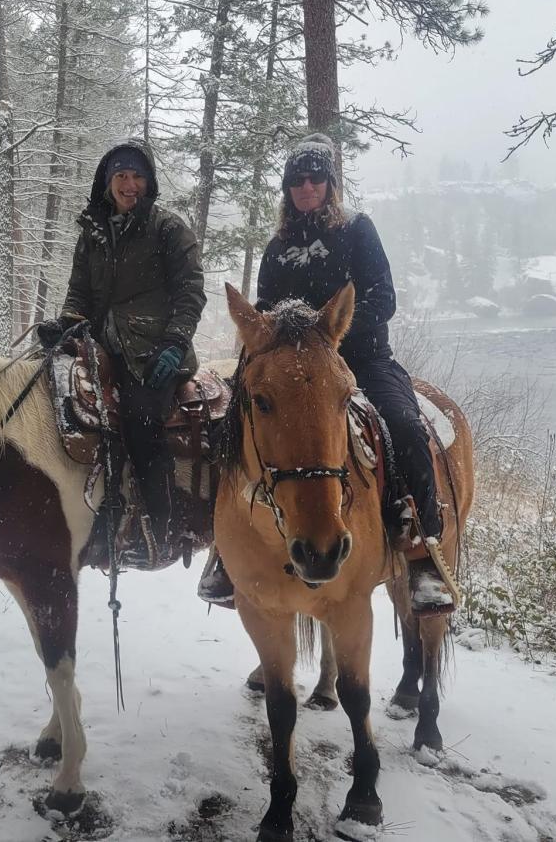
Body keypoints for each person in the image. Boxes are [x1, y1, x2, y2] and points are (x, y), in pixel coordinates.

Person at [198, 133, 451, 616]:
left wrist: (328, 336)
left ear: (330, 184)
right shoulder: (277, 247)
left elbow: (382, 298)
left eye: (316, 178)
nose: (307, 187)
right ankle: (224, 548)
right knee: (229, 425)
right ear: (287, 189)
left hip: (358, 360)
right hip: (291, 372)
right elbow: (267, 312)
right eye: (297, 180)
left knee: (403, 423)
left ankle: (422, 551)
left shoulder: (357, 230)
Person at [38, 139, 206, 559]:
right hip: (102, 347)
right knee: (58, 403)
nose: (129, 185)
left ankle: (162, 525)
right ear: (107, 182)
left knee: (141, 417)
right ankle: (93, 511)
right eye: (121, 176)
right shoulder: (93, 232)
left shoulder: (168, 228)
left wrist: (174, 343)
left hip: (155, 354)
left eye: (136, 176)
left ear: (147, 182)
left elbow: (191, 292)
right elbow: (79, 293)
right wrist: (66, 326)